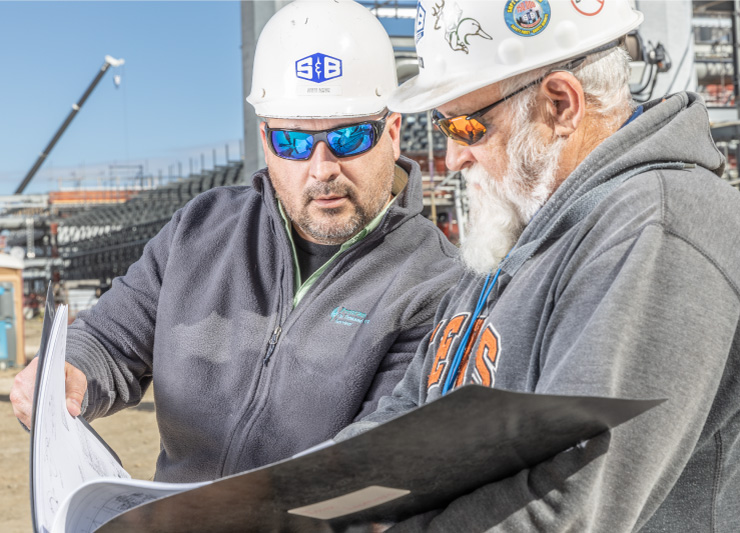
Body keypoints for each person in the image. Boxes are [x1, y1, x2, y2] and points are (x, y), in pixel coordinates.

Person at [337, 1, 740, 531]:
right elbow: (411, 410)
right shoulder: (517, 234)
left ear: (560, 104)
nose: (453, 158)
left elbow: (566, 505)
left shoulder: (662, 235)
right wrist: (303, 502)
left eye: (465, 128)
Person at [11, 0, 460, 483]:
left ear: (392, 133)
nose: (322, 168)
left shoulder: (435, 282)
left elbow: (367, 467)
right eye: (293, 142)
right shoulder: (201, 230)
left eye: (349, 137)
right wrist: (69, 372)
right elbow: (107, 337)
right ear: (267, 142)